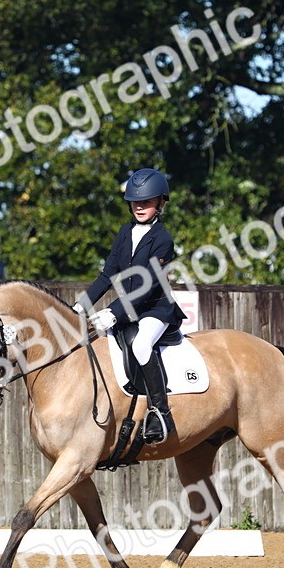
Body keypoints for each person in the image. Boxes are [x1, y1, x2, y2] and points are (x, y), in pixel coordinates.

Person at [74, 168, 186, 444]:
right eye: (135, 201)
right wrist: (80, 306)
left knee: (141, 346)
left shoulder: (163, 239)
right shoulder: (125, 233)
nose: (139, 206)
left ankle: (161, 413)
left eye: (146, 202)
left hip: (155, 310)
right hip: (127, 310)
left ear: (160, 203)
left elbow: (148, 285)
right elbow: (108, 275)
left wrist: (114, 312)